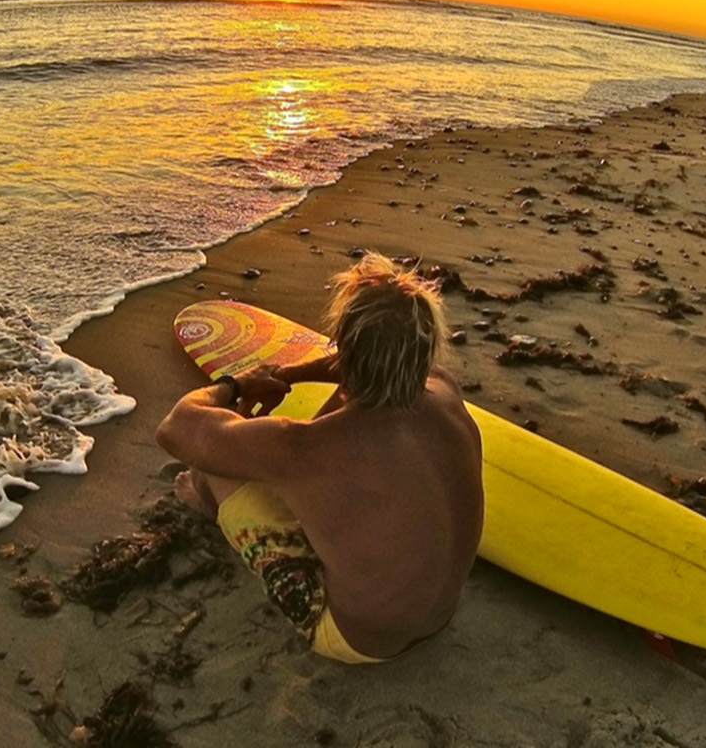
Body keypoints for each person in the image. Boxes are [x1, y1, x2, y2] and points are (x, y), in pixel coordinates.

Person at [156, 253, 484, 663]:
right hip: (439, 616)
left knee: (211, 460)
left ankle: (207, 501)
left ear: (347, 346)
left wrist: (236, 384)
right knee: (343, 410)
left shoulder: (305, 447)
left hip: (357, 640)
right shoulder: (445, 390)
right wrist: (287, 375)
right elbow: (360, 366)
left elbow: (176, 428)